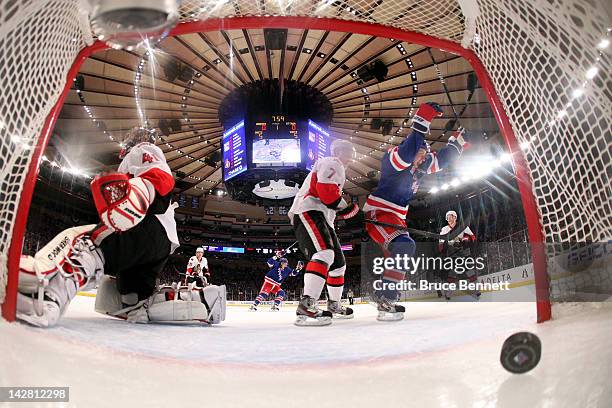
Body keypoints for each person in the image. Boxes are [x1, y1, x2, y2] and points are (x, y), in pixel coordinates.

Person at [16, 127, 226, 327]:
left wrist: (140, 194)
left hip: (147, 227)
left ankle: (46, 295)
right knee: (132, 296)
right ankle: (150, 306)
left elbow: (160, 178)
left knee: (86, 241)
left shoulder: (142, 149)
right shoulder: (136, 155)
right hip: (161, 244)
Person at [364, 102, 470, 321]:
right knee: (405, 246)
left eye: (425, 155)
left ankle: (384, 297)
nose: (423, 158)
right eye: (421, 153)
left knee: (402, 254)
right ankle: (386, 297)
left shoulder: (421, 163)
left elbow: (442, 160)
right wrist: (423, 119)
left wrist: (458, 143)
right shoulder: (393, 159)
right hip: (380, 213)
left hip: (397, 216)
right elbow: (409, 151)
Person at [288, 139, 360, 326]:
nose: (351, 158)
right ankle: (307, 305)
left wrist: (347, 210)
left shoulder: (334, 166)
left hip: (322, 217)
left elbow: (329, 197)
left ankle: (334, 304)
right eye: (349, 152)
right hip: (309, 210)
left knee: (338, 265)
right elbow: (327, 193)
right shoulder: (333, 162)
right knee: (324, 253)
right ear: (339, 152)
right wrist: (349, 209)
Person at [437, 210, 479, 300]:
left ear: (455, 217)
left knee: (469, 270)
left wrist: (465, 240)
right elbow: (440, 244)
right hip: (452, 253)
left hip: (463, 251)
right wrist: (444, 250)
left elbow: (472, 236)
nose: (448, 218)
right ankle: (448, 293)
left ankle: (476, 289)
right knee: (452, 273)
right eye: (447, 217)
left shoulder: (462, 226)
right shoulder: (444, 229)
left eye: (450, 216)